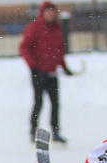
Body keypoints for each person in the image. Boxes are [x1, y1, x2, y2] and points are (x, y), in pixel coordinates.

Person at [19, 1, 73, 144]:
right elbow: (24, 48)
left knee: (55, 103)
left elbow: (59, 51)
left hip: (51, 72)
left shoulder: (57, 29)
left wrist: (64, 67)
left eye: (52, 12)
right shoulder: (34, 28)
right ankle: (33, 130)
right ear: (42, 13)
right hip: (38, 72)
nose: (50, 14)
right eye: (47, 12)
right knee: (38, 102)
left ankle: (56, 131)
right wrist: (33, 66)